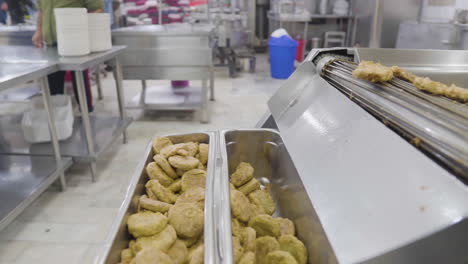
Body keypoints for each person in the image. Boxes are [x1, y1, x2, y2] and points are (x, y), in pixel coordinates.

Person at [32, 0, 103, 112]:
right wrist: (39, 31)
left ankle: (86, 112)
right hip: (51, 43)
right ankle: (58, 114)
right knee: (53, 81)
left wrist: (79, 29)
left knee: (79, 78)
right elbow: (42, 10)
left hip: (74, 40)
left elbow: (97, 9)